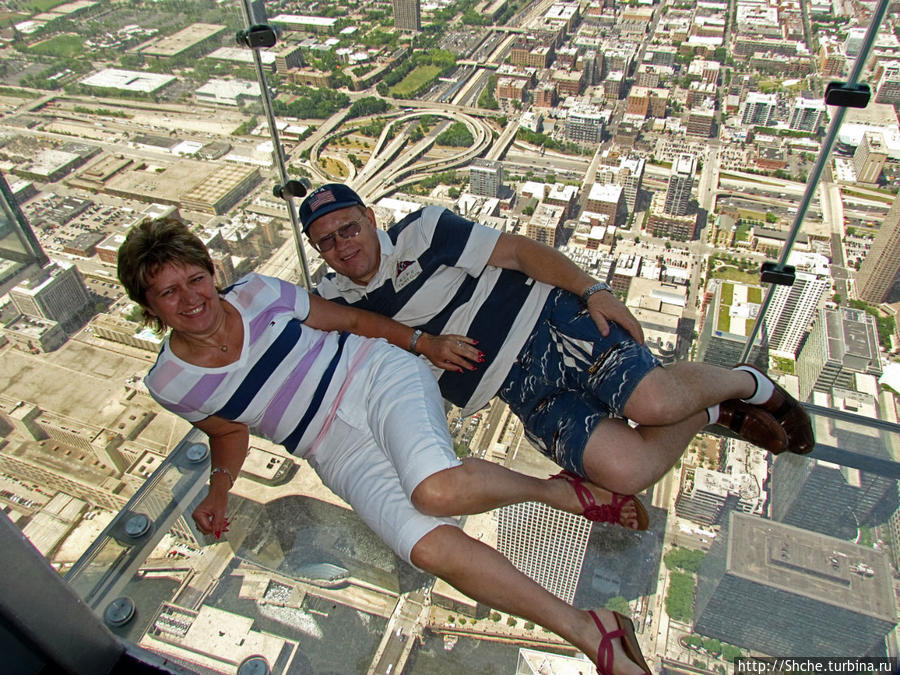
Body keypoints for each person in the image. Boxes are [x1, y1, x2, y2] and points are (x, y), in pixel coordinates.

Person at [118, 217, 652, 675]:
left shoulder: (259, 293)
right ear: (149, 306)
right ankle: (588, 630)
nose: (191, 299)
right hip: (326, 444)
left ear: (212, 273)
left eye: (195, 279)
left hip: (372, 375)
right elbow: (229, 431)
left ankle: (558, 494)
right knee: (428, 549)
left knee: (435, 489)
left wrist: (423, 344)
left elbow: (350, 319)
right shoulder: (171, 383)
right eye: (169, 292)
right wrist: (220, 487)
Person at [302, 183, 815, 499]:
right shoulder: (333, 302)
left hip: (548, 320)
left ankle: (748, 384)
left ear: (370, 218)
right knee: (626, 470)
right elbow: (279, 326)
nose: (342, 246)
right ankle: (711, 414)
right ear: (316, 249)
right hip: (519, 391)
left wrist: (593, 289)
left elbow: (521, 254)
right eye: (326, 241)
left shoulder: (425, 231)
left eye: (348, 228)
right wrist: (421, 341)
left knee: (653, 402)